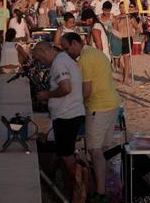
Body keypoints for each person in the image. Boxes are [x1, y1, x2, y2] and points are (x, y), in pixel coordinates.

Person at [59, 32, 121, 202]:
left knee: (94, 151)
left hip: (98, 107)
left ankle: (100, 192)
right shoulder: (96, 53)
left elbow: (86, 91)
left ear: (74, 43)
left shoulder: (85, 59)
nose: (67, 53)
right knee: (103, 150)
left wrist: (71, 106)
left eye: (67, 48)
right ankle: (110, 186)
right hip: (112, 103)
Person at [32, 41, 86, 190]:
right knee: (63, 151)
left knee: (66, 155)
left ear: (44, 52)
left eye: (40, 60)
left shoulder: (58, 63)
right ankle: (68, 185)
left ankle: (78, 187)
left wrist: (46, 95)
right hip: (70, 113)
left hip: (67, 115)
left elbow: (66, 88)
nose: (42, 63)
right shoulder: (64, 59)